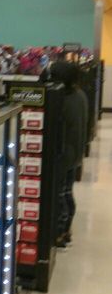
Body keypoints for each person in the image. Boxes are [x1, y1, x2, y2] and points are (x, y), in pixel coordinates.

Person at [51, 60, 88, 247]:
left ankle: (59, 232)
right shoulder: (79, 95)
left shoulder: (64, 100)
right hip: (74, 153)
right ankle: (66, 230)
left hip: (64, 154)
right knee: (66, 192)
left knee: (60, 195)